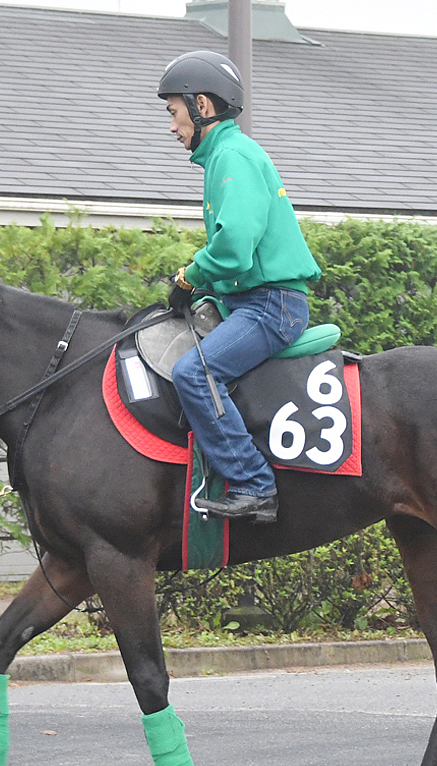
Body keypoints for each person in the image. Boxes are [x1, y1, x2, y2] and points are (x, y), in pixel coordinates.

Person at [158, 50, 321, 523]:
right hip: (251, 300)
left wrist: (188, 278)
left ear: (202, 106)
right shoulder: (224, 157)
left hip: (271, 306)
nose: (171, 126)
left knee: (195, 373)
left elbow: (234, 246)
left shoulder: (232, 155)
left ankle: (255, 485)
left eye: (174, 112)